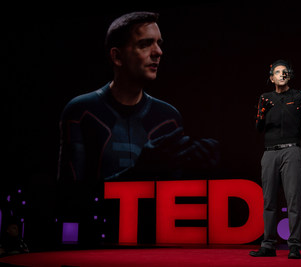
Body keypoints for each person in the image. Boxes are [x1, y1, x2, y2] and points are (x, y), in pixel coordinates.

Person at [56, 11, 219, 244]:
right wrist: (138, 173)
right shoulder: (81, 113)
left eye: (159, 43)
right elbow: (68, 200)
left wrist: (202, 173)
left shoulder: (168, 117)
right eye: (145, 44)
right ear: (117, 56)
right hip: (97, 247)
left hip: (155, 248)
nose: (158, 52)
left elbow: (176, 205)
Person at [250, 59, 301, 259]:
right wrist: (262, 113)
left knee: (293, 199)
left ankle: (294, 245)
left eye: (284, 71)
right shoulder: (265, 98)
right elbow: (258, 129)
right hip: (270, 152)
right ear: (271, 77)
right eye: (277, 72)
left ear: (289, 75)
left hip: (291, 151)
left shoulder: (298, 96)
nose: (281, 74)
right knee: (268, 200)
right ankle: (268, 245)